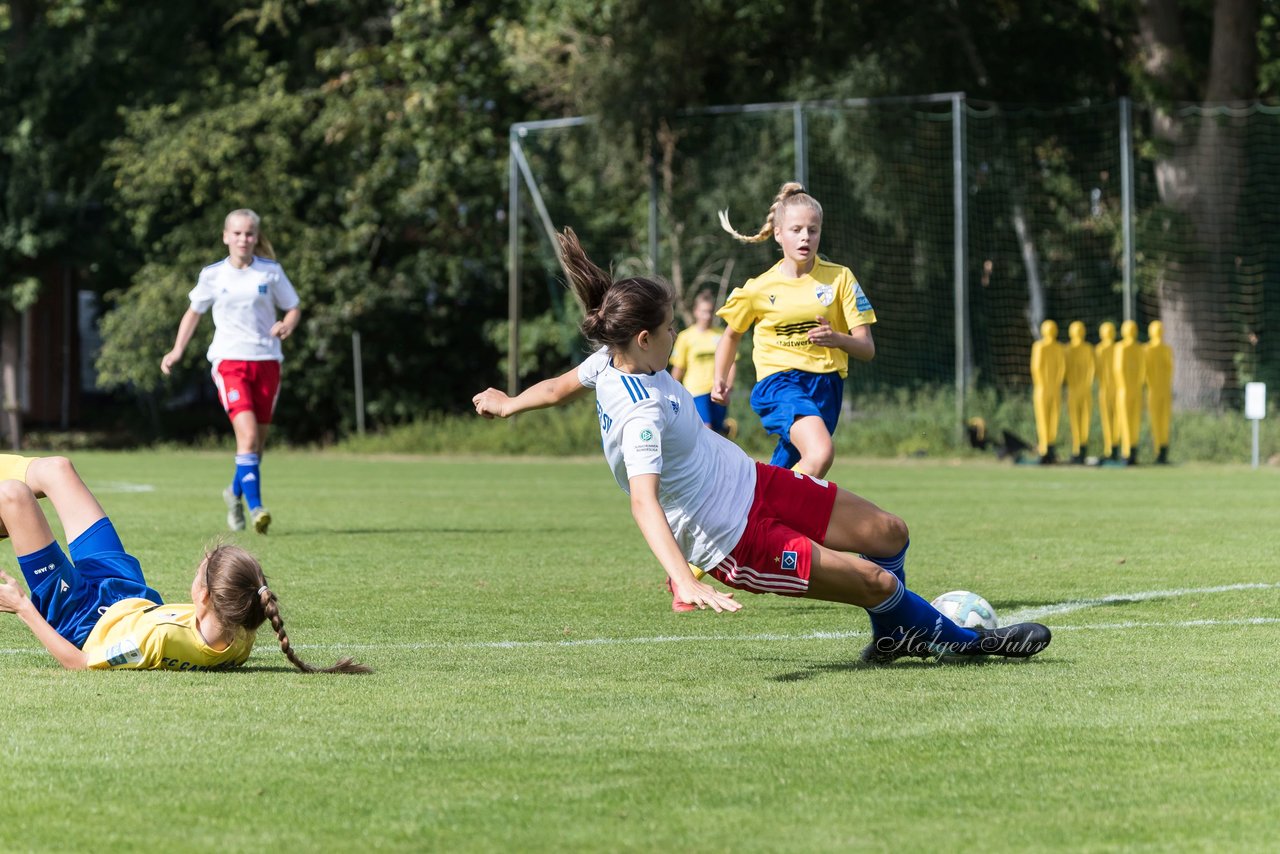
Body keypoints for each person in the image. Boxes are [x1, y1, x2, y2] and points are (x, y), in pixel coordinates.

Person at [473, 228, 1051, 665]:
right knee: (876, 583)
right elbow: (643, 503)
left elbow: (557, 387)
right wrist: (684, 577)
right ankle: (967, 644)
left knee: (889, 533)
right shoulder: (640, 413)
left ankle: (896, 628)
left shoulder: (610, 359)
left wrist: (508, 403)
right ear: (645, 339)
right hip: (737, 538)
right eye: (672, 328)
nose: (678, 336)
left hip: (756, 481)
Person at [0, 454, 370, 673]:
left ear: (205, 596)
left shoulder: (156, 640)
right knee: (59, 468)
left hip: (79, 617)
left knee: (14, 496)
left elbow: (80, 663)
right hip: (127, 590)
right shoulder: (238, 637)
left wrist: (23, 607)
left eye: (198, 572)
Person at [713, 182, 876, 478]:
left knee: (794, 470)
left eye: (813, 230)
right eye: (796, 229)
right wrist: (719, 379)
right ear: (778, 233)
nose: (805, 237)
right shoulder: (760, 288)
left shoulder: (840, 278)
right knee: (820, 453)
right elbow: (731, 335)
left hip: (827, 386)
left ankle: (751, 512)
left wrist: (837, 339)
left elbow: (866, 348)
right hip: (779, 383)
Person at [161, 209, 300, 535]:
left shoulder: (271, 272)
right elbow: (193, 313)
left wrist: (287, 324)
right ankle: (257, 509)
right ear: (226, 236)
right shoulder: (213, 275)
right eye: (237, 233)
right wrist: (177, 350)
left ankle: (233, 494)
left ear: (256, 237)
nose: (243, 239)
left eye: (249, 234)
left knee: (256, 446)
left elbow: (293, 306)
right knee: (248, 437)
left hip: (267, 362)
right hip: (229, 363)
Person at [669, 289, 736, 438]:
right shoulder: (686, 337)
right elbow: (679, 367)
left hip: (717, 390)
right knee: (707, 428)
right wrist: (671, 390)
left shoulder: (721, 335)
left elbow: (731, 362)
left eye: (710, 311)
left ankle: (724, 432)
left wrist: (729, 385)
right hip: (695, 390)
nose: (707, 315)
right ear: (696, 312)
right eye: (704, 311)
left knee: (718, 434)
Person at [1030, 319, 1065, 465]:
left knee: (1051, 420)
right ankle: (1045, 448)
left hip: (1048, 388)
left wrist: (1055, 384)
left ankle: (1048, 448)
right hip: (1045, 389)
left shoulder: (1056, 347)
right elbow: (1037, 368)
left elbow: (1061, 367)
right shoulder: (1040, 346)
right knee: (1044, 420)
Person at [1144, 320, 1174, 464]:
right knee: (1161, 422)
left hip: (1156, 391)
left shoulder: (1151, 349)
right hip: (1160, 390)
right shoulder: (1150, 350)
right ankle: (1161, 452)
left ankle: (1160, 452)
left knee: (1159, 422)